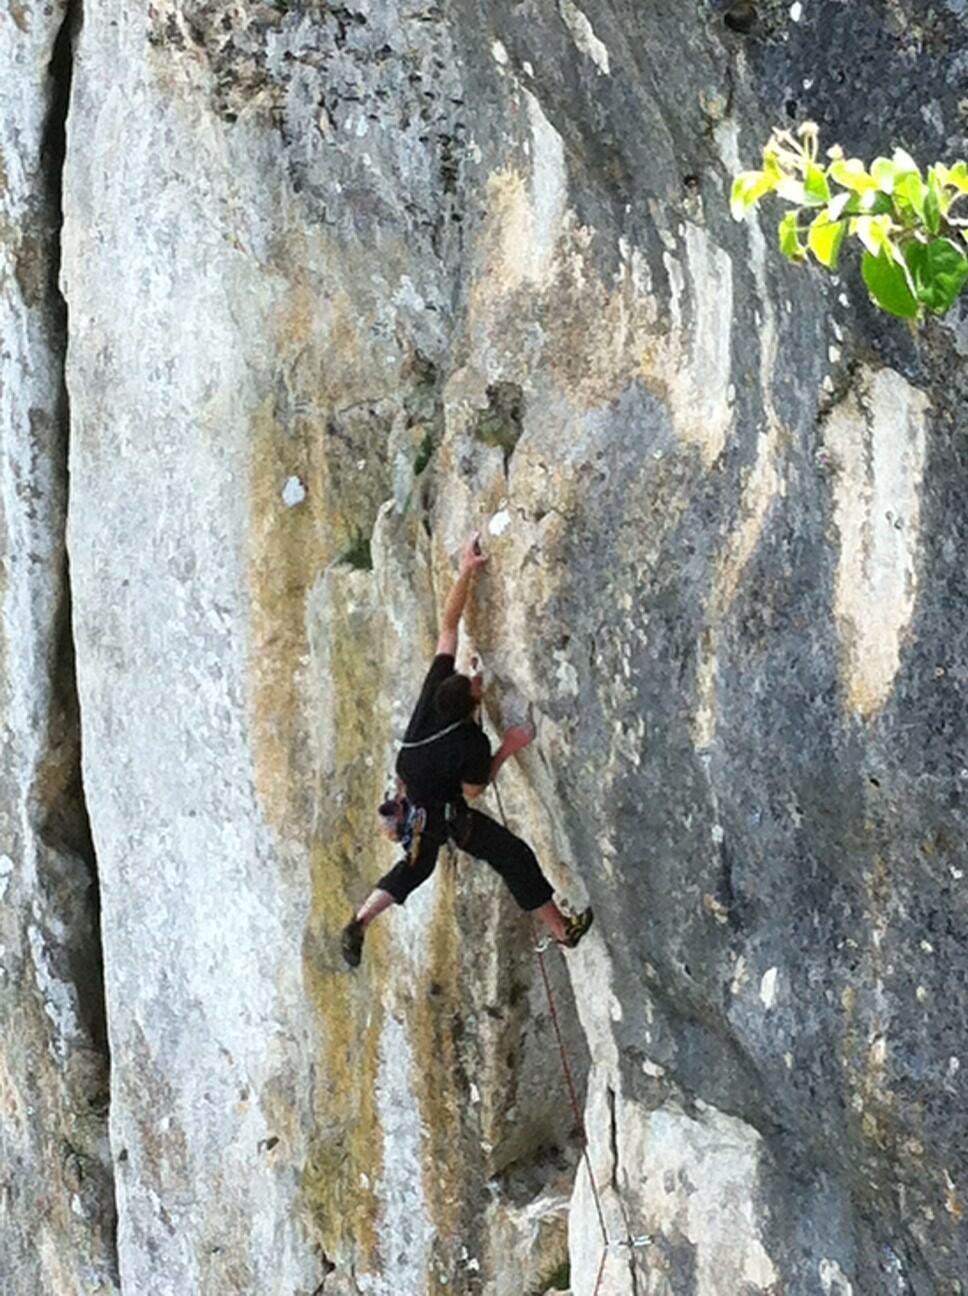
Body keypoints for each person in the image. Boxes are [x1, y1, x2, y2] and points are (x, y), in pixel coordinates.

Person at [341, 532, 593, 968]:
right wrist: (508, 747)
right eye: (476, 685)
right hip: (446, 817)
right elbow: (474, 790)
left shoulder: (433, 695)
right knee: (514, 856)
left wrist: (465, 571)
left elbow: (448, 627)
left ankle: (361, 919)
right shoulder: (470, 742)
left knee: (415, 868)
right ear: (471, 705)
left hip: (414, 800)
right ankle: (561, 930)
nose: (478, 681)